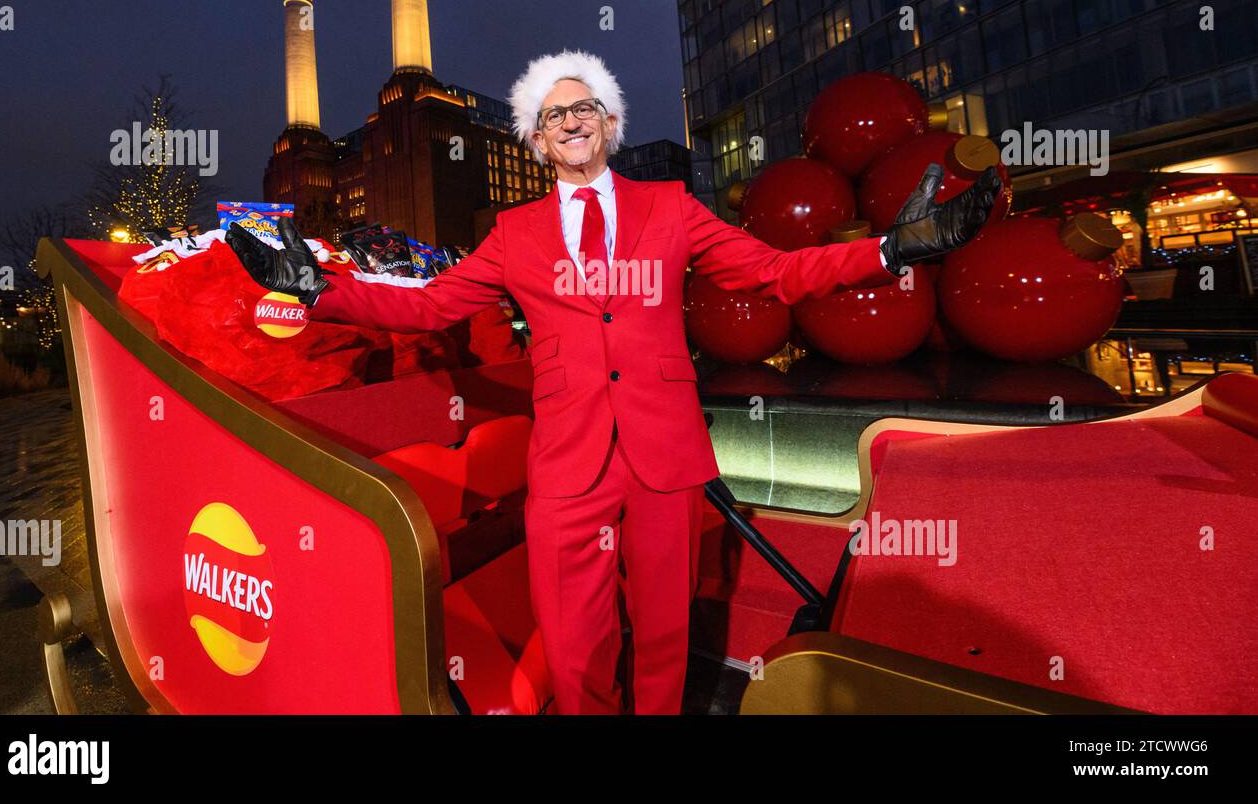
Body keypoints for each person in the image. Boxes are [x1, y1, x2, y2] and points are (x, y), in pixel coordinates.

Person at [227, 49, 1001, 714]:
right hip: (568, 467)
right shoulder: (512, 234)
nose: (572, 120)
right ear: (535, 138)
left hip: (665, 462)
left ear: (609, 122)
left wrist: (891, 251)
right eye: (554, 113)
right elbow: (432, 307)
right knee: (574, 647)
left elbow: (771, 272)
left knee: (665, 639)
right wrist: (318, 286)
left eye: (585, 106)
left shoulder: (669, 208)